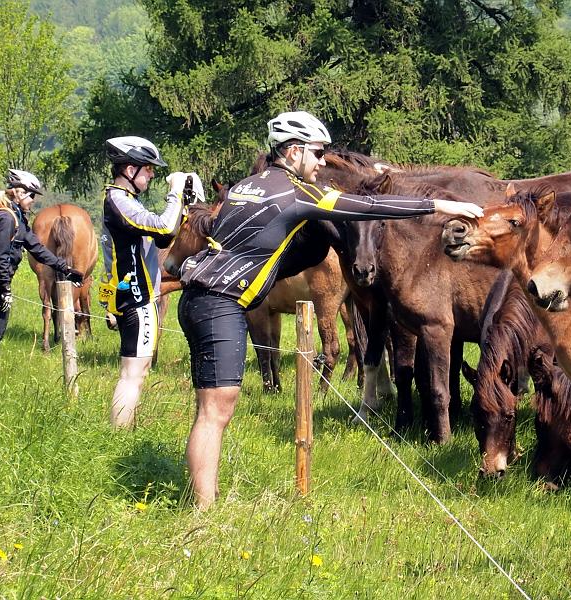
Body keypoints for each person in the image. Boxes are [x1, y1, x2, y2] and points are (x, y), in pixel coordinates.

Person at [177, 110, 484, 509]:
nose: (322, 163)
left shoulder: (245, 187)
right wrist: (437, 204)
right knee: (216, 413)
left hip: (196, 296)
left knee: (207, 409)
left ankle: (204, 498)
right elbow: (367, 206)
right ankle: (204, 511)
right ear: (293, 151)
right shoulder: (294, 191)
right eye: (318, 153)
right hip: (222, 304)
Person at [101, 136, 200, 429]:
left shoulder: (125, 201)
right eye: (147, 168)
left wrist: (183, 206)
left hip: (131, 294)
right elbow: (162, 225)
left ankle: (121, 428)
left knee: (135, 370)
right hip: (138, 298)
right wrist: (174, 193)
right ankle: (119, 432)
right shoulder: (118, 200)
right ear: (129, 169)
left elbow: (163, 236)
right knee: (134, 373)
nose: (152, 174)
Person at [0, 169, 84, 382]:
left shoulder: (17, 218)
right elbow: (0, 257)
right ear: (18, 192)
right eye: (31, 195)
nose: (33, 200)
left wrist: (66, 269)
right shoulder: (6, 219)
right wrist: (5, 288)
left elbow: (38, 249)